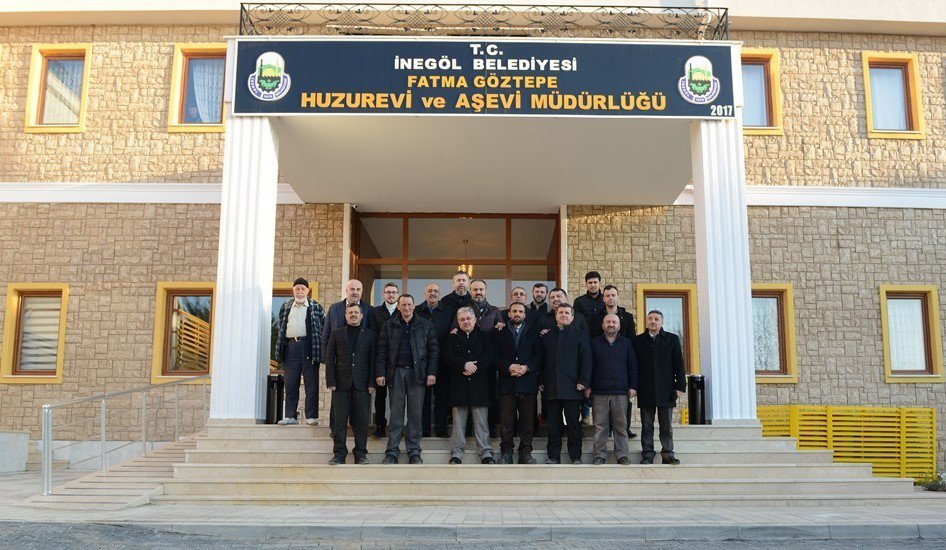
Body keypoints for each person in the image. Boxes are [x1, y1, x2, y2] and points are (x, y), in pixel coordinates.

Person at [376, 294, 439, 464]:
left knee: (415, 414)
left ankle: (414, 451)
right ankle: (392, 452)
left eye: (409, 304)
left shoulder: (425, 325)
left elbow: (433, 351)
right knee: (395, 414)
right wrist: (380, 373)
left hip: (417, 374)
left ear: (414, 306)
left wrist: (432, 373)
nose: (406, 308)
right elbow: (381, 351)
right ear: (398, 306)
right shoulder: (389, 326)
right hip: (396, 373)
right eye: (403, 305)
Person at [537, 303, 592, 464]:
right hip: (551, 387)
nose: (564, 315)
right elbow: (541, 361)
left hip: (573, 387)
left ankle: (575, 456)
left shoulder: (581, 335)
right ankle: (553, 456)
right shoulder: (547, 336)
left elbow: (586, 360)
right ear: (556, 316)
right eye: (560, 313)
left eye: (567, 313)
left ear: (572, 317)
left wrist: (584, 381)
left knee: (574, 424)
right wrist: (540, 381)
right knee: (553, 425)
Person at [633, 310, 686, 465]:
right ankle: (647, 454)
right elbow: (634, 367)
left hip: (667, 389)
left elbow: (679, 364)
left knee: (666, 426)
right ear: (646, 321)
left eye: (656, 319)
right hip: (645, 389)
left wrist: (680, 386)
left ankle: (668, 454)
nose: (653, 321)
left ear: (662, 321)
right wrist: (634, 386)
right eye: (650, 318)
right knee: (646, 426)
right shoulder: (637, 341)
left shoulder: (672, 339)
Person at [325, 304, 376, 465]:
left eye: (356, 312)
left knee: (361, 422)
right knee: (339, 421)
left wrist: (371, 383)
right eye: (350, 313)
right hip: (340, 384)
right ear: (345, 316)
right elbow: (329, 359)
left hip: (362, 385)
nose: (353, 315)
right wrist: (331, 381)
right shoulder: (336, 333)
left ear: (362, 316)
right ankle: (339, 454)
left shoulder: (370, 335)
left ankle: (360, 454)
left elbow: (372, 361)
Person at [444, 307, 496, 464]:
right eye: (462, 319)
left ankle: (485, 452)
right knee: (458, 422)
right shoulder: (451, 338)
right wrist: (463, 364)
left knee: (481, 421)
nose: (465, 322)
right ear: (458, 322)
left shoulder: (486, 336)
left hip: (480, 385)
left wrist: (474, 367)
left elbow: (489, 356)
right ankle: (457, 453)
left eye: (468, 318)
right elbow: (447, 357)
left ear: (475, 319)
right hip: (458, 385)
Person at [274, 277, 325, 426]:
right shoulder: (286, 306)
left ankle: (311, 416)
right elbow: (281, 327)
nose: (300, 291)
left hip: (309, 347)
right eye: (297, 289)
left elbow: (323, 327)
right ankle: (290, 416)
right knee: (290, 383)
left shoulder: (315, 306)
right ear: (293, 290)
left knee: (311, 383)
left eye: (303, 289)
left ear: (307, 291)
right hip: (291, 348)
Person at [589, 314, 638, 465]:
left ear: (619, 325)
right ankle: (599, 455)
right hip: (599, 392)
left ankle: (622, 455)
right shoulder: (594, 343)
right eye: (608, 322)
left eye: (614, 322)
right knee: (600, 427)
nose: (611, 324)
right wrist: (588, 385)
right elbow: (588, 366)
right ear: (603, 325)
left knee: (621, 426)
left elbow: (632, 367)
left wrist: (633, 386)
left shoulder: (626, 344)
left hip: (621, 392)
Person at [590, 284, 638, 439]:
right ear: (603, 298)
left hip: (622, 357)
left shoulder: (627, 316)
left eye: (613, 295)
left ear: (618, 297)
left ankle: (626, 427)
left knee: (623, 401)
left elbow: (632, 338)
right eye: (607, 295)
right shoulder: (596, 317)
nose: (610, 298)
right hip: (603, 358)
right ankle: (608, 429)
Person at [495, 302, 541, 464]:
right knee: (507, 421)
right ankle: (506, 452)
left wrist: (527, 368)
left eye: (520, 311)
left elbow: (539, 356)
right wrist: (508, 367)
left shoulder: (534, 333)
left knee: (527, 421)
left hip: (527, 383)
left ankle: (525, 452)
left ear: (525, 314)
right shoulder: (499, 333)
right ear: (509, 313)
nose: (517, 313)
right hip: (507, 384)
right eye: (514, 311)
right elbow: (495, 356)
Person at [416, 282, 453, 437]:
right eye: (430, 291)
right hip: (421, 360)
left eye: (436, 291)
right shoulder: (417, 311)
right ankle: (424, 430)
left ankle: (441, 429)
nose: (432, 293)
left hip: (443, 360)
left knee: (442, 397)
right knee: (422, 398)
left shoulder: (449, 312)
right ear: (425, 293)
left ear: (440, 293)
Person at [369, 282, 400, 438]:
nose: (391, 295)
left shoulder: (402, 312)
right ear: (384, 294)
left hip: (397, 361)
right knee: (380, 396)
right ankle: (380, 426)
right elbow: (373, 336)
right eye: (388, 292)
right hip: (380, 359)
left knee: (397, 397)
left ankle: (396, 427)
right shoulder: (375, 312)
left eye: (394, 292)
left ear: (398, 294)